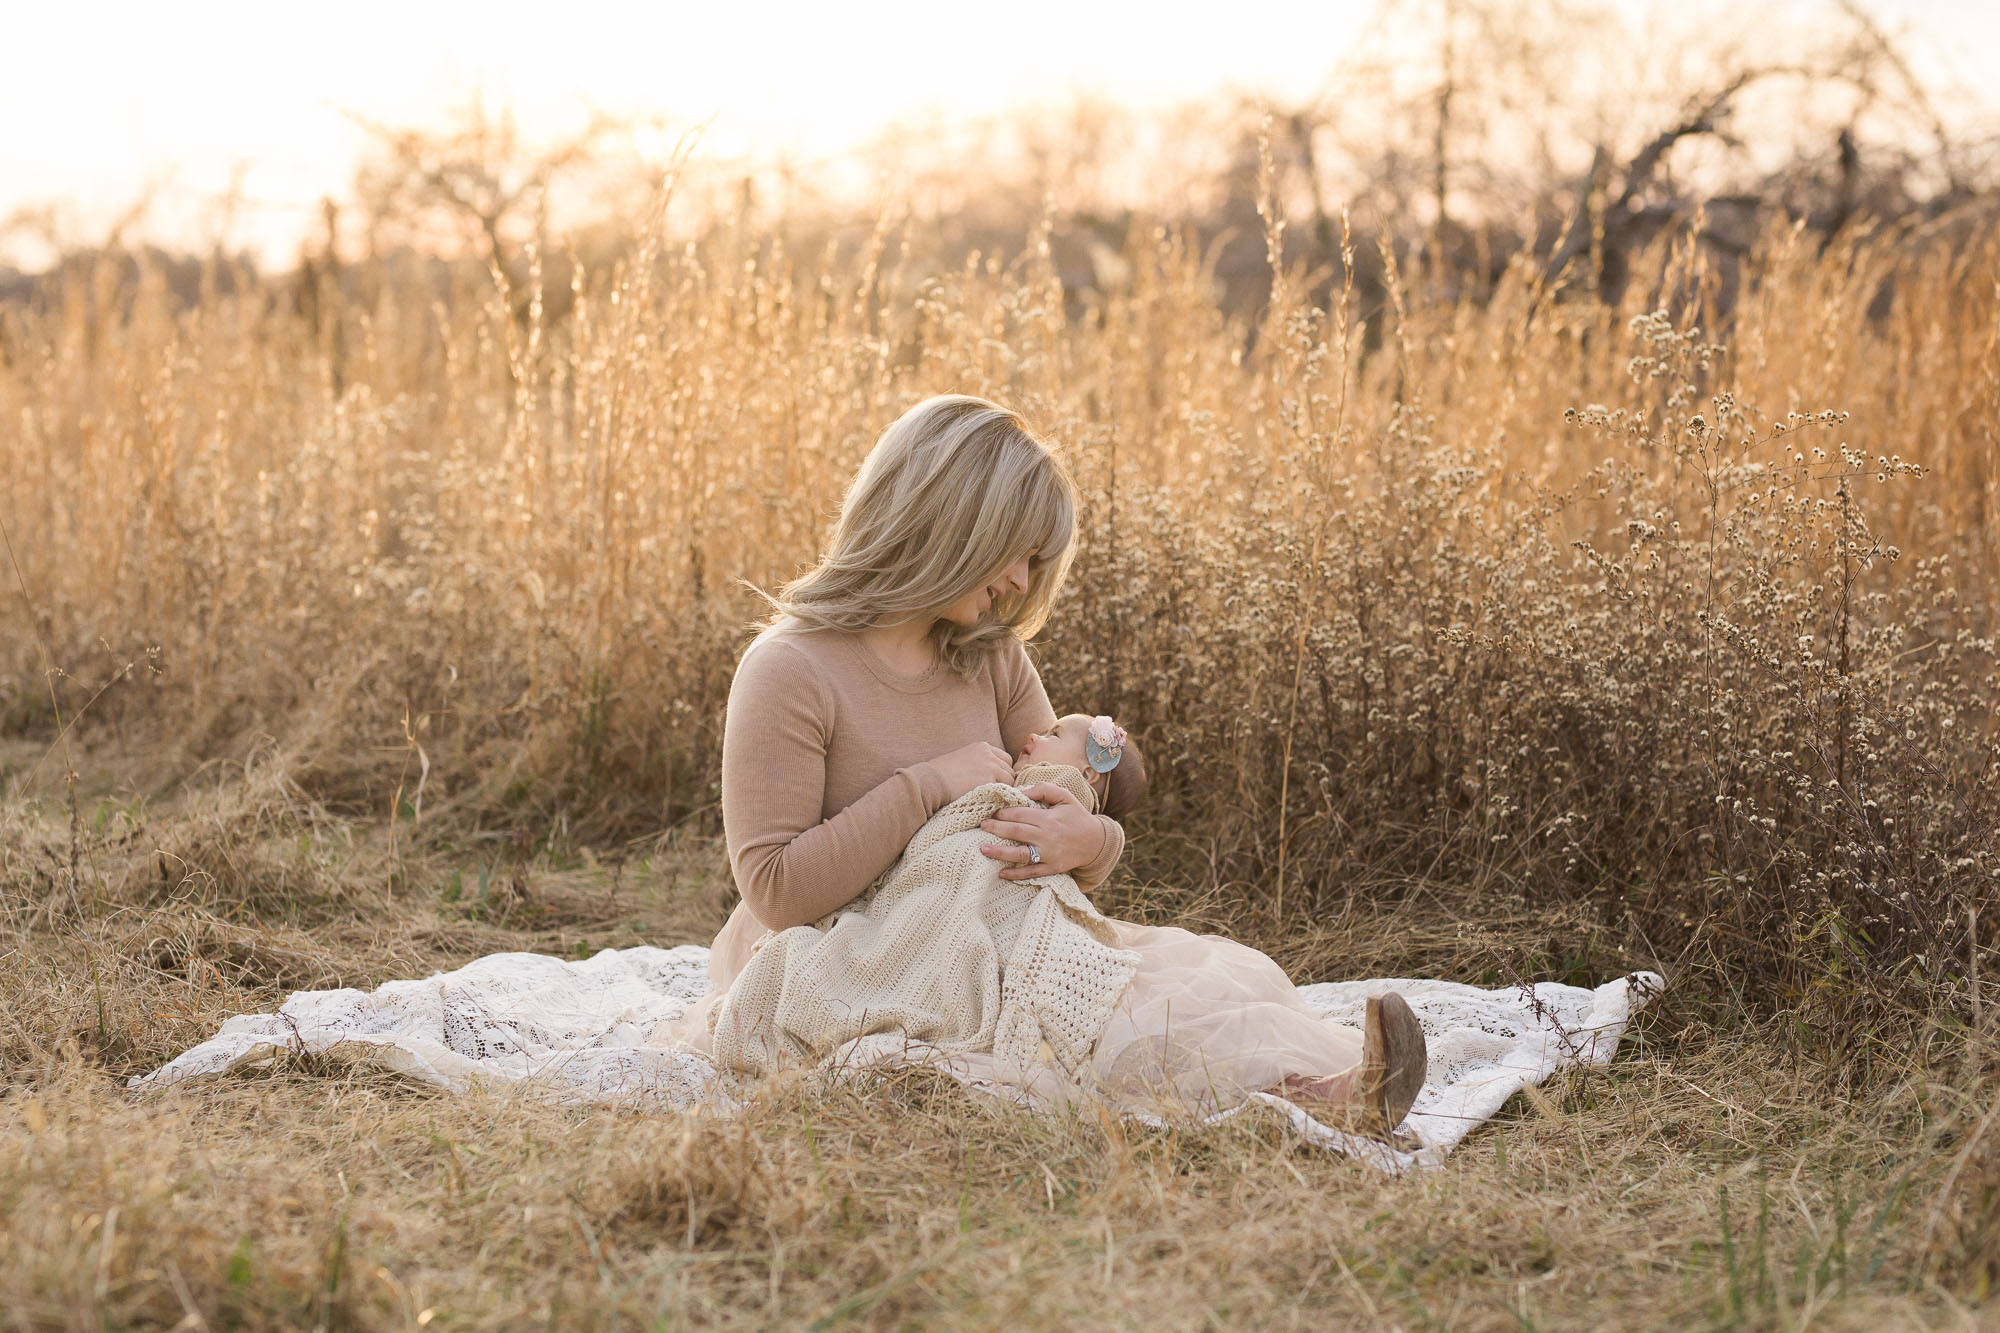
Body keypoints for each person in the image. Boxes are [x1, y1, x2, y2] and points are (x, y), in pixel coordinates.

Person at [684, 393, 1425, 1135]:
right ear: (950, 519)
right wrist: (929, 785)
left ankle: (1311, 1089)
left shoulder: (987, 654)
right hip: (860, 953)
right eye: (1017, 552)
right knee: (1096, 1026)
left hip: (987, 933)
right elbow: (776, 890)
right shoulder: (790, 669)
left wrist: (1092, 842)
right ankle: (1306, 1096)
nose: (1019, 582)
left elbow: (1066, 789)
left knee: (1226, 976)